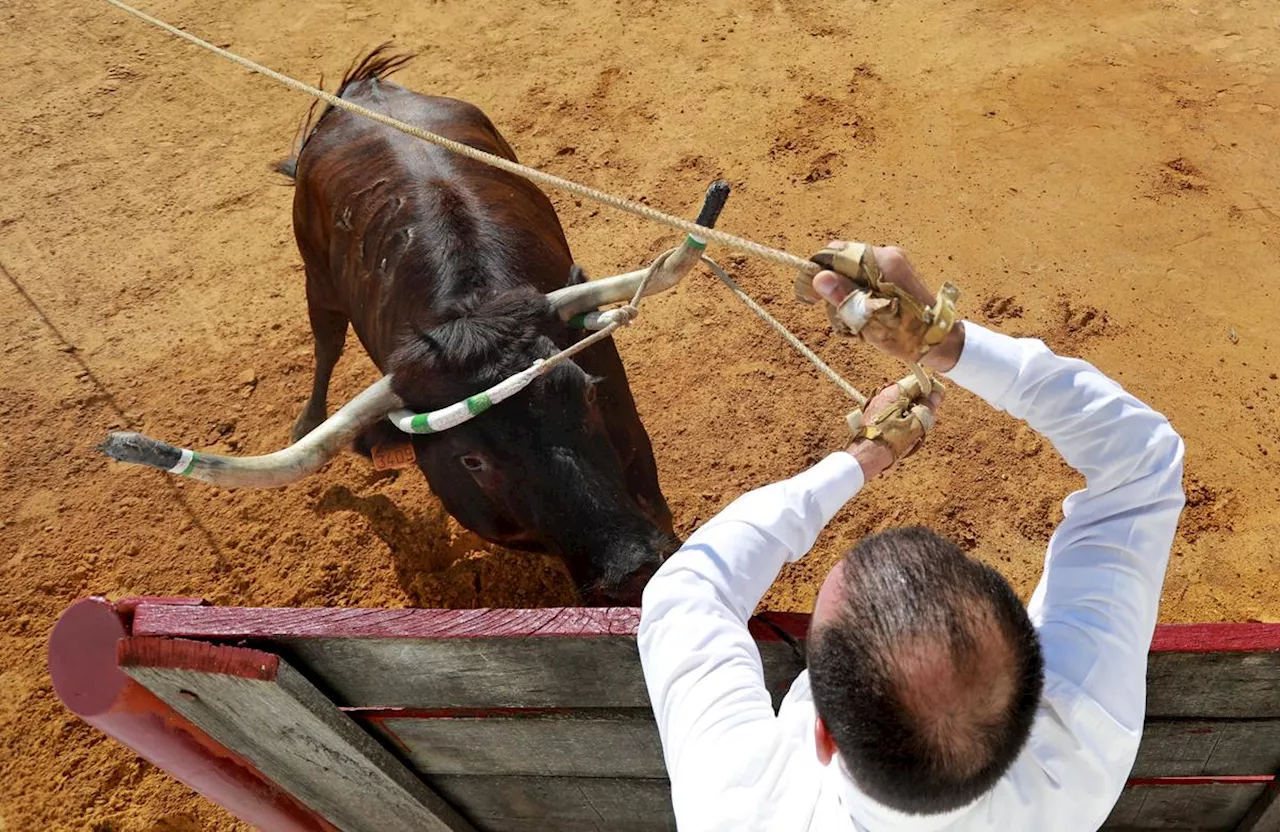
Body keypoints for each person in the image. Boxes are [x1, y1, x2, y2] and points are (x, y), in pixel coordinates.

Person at [637, 243, 1186, 831]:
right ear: (1032, 692)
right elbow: (1143, 465)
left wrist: (862, 457)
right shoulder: (1080, 754)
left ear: (823, 733)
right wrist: (945, 341)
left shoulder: (1081, 756)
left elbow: (687, 589)